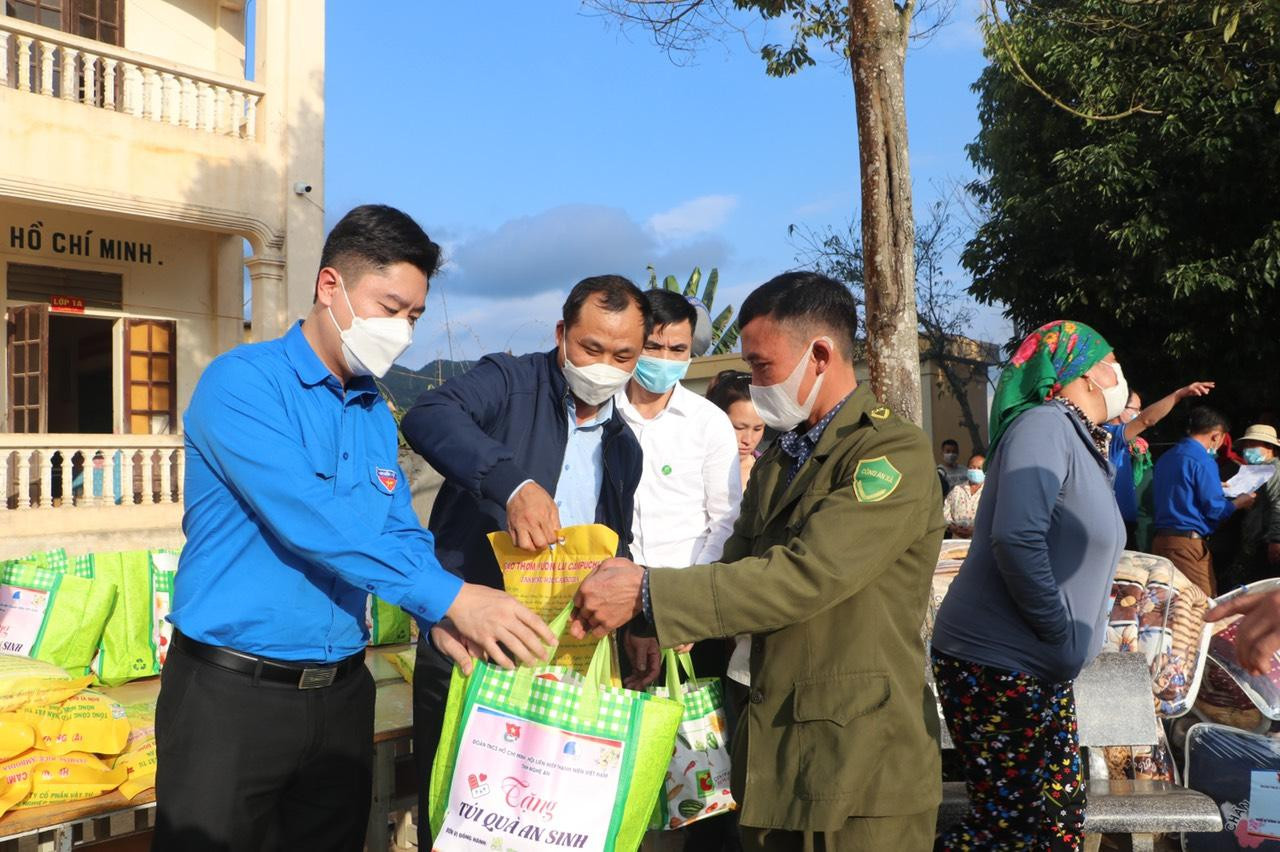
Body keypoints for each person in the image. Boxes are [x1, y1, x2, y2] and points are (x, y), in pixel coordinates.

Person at [155, 206, 555, 852]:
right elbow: (312, 520)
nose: (401, 330)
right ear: (330, 286)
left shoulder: (372, 407)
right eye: (389, 306)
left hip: (341, 693)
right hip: (233, 697)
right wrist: (453, 596)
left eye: (414, 317)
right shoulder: (242, 384)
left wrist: (439, 618)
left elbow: (397, 529)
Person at [570, 271, 946, 851]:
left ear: (819, 355)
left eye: (763, 365)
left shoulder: (888, 453)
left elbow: (806, 576)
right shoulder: (783, 458)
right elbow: (734, 562)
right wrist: (652, 627)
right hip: (775, 745)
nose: (756, 381)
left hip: (862, 762)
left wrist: (648, 594)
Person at [399, 275, 649, 851]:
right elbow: (430, 415)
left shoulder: (623, 448)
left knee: (545, 823)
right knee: (461, 820)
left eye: (623, 355)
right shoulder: (509, 383)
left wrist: (637, 623)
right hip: (470, 648)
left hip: (560, 660)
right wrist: (512, 485)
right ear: (562, 335)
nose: (605, 366)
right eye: (591, 348)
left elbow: (618, 545)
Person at [931, 320, 1128, 851]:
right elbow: (1017, 538)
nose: (1120, 375)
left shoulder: (1079, 439)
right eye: (1112, 361)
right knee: (1011, 832)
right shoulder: (1046, 425)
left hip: (1036, 667)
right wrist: (1059, 634)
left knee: (1056, 823)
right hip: (1000, 663)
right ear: (1079, 375)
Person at [617, 289, 742, 850]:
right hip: (610, 622)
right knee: (613, 771)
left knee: (695, 779)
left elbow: (725, 522)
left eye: (678, 347)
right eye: (653, 345)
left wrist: (682, 608)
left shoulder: (708, 423)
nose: (665, 358)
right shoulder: (600, 410)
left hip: (689, 626)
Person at [1151, 406, 1257, 595]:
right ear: (1217, 436)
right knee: (1202, 606)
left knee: (1168, 605)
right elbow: (1215, 509)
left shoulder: (1166, 457)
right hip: (1187, 545)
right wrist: (1239, 502)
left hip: (1160, 541)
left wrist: (1215, 485)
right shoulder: (1203, 461)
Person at [1103, 382, 1215, 548]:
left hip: (1127, 528)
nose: (1139, 414)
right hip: (1110, 527)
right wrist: (1178, 395)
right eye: (1135, 409)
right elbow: (1147, 420)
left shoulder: (1133, 446)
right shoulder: (1108, 436)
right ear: (1120, 407)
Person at [1228, 424, 1280, 586]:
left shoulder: (1273, 469)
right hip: (1255, 540)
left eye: (1253, 444)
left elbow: (1278, 504)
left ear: (1269, 447)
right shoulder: (1255, 470)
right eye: (1246, 445)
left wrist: (1276, 540)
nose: (1247, 449)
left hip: (1265, 542)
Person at [707, 370, 765, 491]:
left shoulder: (770, 471)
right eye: (739, 428)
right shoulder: (691, 466)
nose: (748, 440)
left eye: (757, 429)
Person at [941, 453, 985, 539]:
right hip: (957, 542)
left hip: (981, 542)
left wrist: (974, 530)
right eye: (972, 467)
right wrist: (953, 528)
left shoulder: (990, 492)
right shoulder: (957, 490)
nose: (975, 470)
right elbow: (945, 514)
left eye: (979, 468)